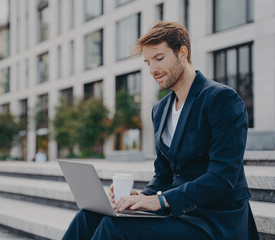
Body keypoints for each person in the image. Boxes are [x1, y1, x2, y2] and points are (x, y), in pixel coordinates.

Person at [62, 21, 259, 240]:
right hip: (175, 214)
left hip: (214, 221)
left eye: (159, 58)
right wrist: (141, 196)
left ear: (182, 53)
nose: (153, 70)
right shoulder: (160, 110)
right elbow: (164, 175)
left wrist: (159, 200)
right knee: (88, 216)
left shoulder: (221, 99)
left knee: (113, 227)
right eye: (148, 62)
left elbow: (223, 178)